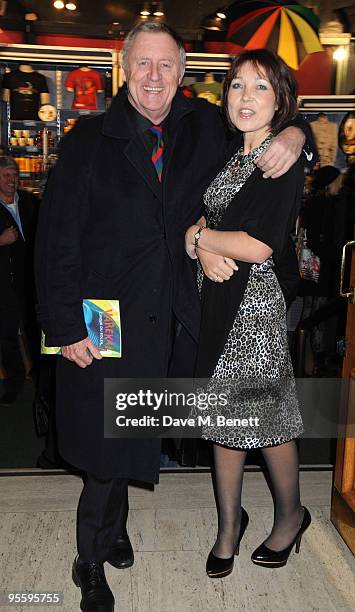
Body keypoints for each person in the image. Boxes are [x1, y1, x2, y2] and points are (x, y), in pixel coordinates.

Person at [35, 23, 314, 612]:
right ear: (124, 68)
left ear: (183, 73)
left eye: (167, 66)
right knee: (103, 446)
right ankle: (91, 557)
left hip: (179, 315)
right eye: (144, 65)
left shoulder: (201, 127)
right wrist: (63, 332)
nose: (155, 77)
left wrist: (298, 131)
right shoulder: (87, 140)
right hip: (104, 317)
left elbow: (263, 113)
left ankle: (117, 533)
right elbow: (55, 244)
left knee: (149, 428)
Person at [185, 49, 312, 579]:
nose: (245, 97)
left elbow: (259, 245)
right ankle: (228, 526)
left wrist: (198, 239)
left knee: (269, 422)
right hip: (219, 302)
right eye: (237, 86)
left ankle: (290, 517)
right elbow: (208, 213)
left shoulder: (279, 161)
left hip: (254, 310)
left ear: (281, 100)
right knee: (224, 421)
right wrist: (200, 238)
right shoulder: (230, 156)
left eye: (261, 87)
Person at [0, 156, 38, 406]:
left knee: (37, 330)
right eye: (6, 175)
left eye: (14, 175)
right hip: (4, 284)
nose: (12, 180)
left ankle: (40, 375)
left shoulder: (29, 201)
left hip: (31, 280)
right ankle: (14, 383)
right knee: (6, 335)